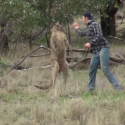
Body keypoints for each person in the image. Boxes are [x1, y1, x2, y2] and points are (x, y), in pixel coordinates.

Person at [73, 11, 121, 91]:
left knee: (105, 69)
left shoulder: (94, 24)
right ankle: (91, 89)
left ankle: (117, 88)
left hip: (103, 49)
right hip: (96, 51)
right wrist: (77, 28)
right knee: (92, 69)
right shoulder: (89, 27)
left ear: (86, 18)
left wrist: (90, 43)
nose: (82, 20)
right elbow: (83, 33)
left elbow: (99, 35)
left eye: (82, 18)